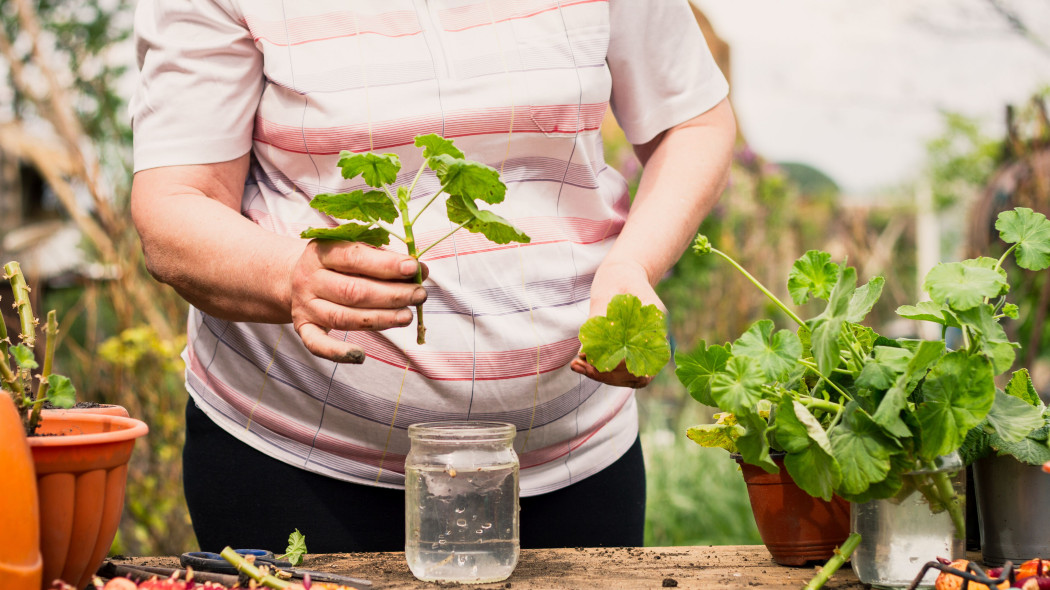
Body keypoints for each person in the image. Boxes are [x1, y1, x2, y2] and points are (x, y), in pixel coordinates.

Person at [130, 0, 736, 552]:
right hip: (300, 463)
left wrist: (633, 263)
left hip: (573, 462)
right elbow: (175, 205)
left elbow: (694, 122)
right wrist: (290, 277)